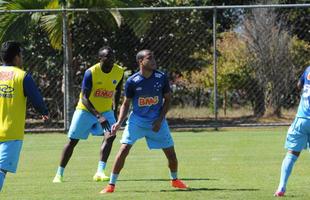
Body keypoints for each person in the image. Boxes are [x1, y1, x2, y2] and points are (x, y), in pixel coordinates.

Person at [100, 49, 188, 194]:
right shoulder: (132, 81)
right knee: (123, 150)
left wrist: (160, 120)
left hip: (156, 121)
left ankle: (175, 180)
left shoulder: (161, 77)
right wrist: (119, 122)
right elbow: (126, 104)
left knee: (171, 153)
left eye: (154, 58)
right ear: (141, 62)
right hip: (137, 121)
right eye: (149, 58)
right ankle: (111, 185)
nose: (154, 61)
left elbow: (168, 100)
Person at [53, 46, 124, 183]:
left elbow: (118, 91)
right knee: (73, 141)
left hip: (106, 110)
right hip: (85, 110)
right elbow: (84, 98)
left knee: (110, 136)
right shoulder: (91, 72)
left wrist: (114, 111)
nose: (112, 59)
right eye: (108, 56)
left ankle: (100, 172)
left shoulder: (119, 71)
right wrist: (98, 116)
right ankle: (59, 174)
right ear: (100, 59)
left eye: (113, 56)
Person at [0, 41, 49, 191]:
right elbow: (36, 99)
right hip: (11, 132)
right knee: (1, 170)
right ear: (16, 57)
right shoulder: (22, 76)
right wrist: (44, 112)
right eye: (20, 55)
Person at [274, 65, 310, 197]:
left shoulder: (308, 69)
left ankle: (281, 187)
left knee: (292, 154)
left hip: (301, 120)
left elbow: (299, 85)